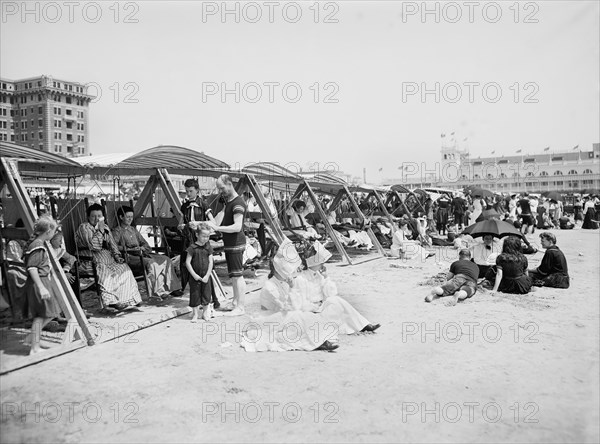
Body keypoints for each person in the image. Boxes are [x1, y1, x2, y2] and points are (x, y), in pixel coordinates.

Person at [244, 239, 339, 352]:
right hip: (268, 319)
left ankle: (319, 340)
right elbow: (287, 308)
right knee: (297, 316)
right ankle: (318, 342)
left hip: (281, 315)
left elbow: (296, 305)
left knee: (306, 316)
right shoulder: (269, 286)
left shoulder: (284, 283)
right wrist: (293, 289)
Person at [295, 241, 380, 334]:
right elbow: (301, 303)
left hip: (321, 307)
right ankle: (363, 325)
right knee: (334, 304)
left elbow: (331, 294)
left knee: (336, 300)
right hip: (311, 312)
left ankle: (363, 325)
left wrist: (326, 277)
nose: (322, 264)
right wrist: (315, 308)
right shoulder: (301, 279)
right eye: (319, 262)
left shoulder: (319, 276)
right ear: (311, 263)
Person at [75, 204, 142, 311]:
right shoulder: (84, 227)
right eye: (93, 216)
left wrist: (117, 255)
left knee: (124, 268)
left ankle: (129, 299)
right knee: (104, 271)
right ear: (88, 217)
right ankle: (111, 301)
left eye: (99, 216)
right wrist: (100, 231)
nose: (97, 219)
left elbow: (112, 244)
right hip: (90, 260)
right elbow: (95, 246)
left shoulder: (105, 227)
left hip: (108, 259)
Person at [113, 206, 182, 300]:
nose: (130, 219)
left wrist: (142, 248)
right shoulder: (117, 231)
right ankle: (158, 292)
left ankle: (173, 288)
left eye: (131, 217)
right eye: (128, 216)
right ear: (121, 217)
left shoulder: (133, 230)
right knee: (152, 264)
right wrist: (129, 249)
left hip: (142, 253)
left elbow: (144, 243)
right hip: (130, 256)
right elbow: (114, 247)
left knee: (166, 259)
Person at [206, 174, 247, 316]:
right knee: (233, 275)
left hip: (236, 243)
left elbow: (237, 227)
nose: (220, 191)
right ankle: (235, 302)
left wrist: (218, 229)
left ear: (229, 184)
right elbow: (217, 221)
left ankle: (240, 306)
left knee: (238, 275)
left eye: (221, 188)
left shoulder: (237, 203)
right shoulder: (229, 202)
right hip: (230, 243)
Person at [24, 217, 61, 354]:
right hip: (39, 281)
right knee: (42, 315)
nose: (55, 233)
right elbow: (32, 268)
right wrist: (41, 287)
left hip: (43, 280)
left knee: (50, 312)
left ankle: (31, 338)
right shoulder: (37, 245)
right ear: (48, 230)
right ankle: (34, 347)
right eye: (54, 230)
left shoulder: (40, 243)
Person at [178, 179, 207, 291]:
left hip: (200, 238)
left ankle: (204, 289)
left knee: (200, 263)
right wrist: (181, 226)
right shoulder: (184, 206)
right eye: (186, 191)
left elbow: (213, 222)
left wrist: (198, 224)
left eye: (190, 191)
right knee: (185, 262)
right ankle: (184, 286)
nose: (188, 194)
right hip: (187, 238)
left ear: (197, 190)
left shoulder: (203, 204)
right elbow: (180, 222)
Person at [185, 223, 214, 322]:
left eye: (208, 236)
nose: (206, 238)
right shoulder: (192, 248)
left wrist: (207, 275)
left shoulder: (208, 247)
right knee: (195, 295)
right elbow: (187, 262)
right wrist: (194, 275)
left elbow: (211, 262)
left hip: (206, 276)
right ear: (197, 235)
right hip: (195, 277)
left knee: (206, 295)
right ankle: (195, 314)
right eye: (203, 236)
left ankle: (205, 313)